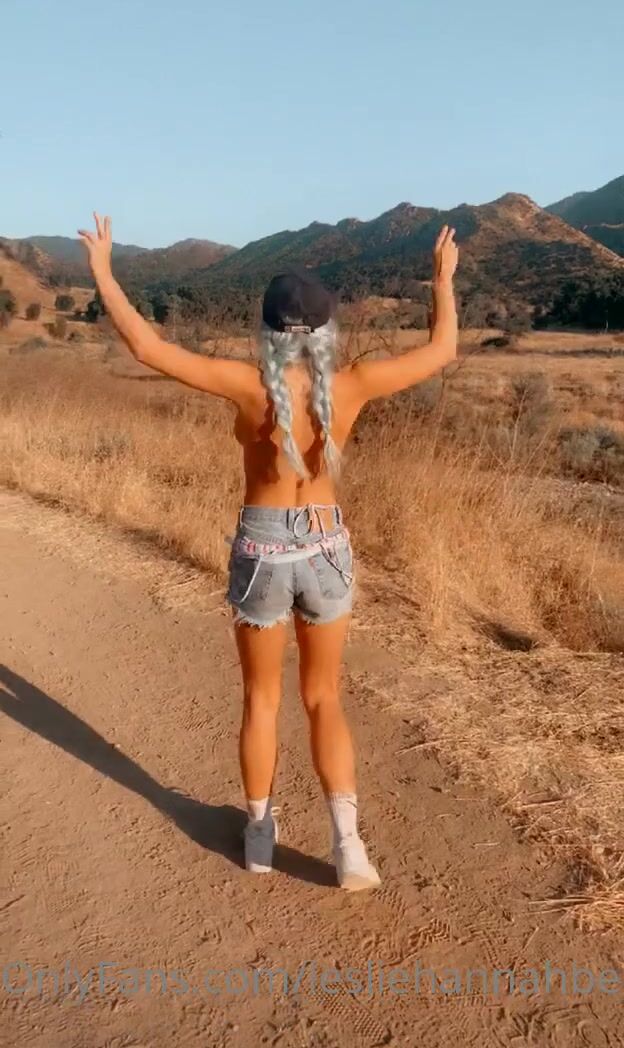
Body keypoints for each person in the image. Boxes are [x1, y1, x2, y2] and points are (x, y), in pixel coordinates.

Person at [78, 214, 459, 891]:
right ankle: (348, 847)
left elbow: (147, 347)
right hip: (327, 544)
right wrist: (441, 281)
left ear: (266, 329)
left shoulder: (247, 384)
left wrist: (104, 272)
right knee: (324, 697)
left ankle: (259, 836)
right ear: (328, 331)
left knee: (261, 698)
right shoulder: (354, 384)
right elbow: (442, 349)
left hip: (262, 546)